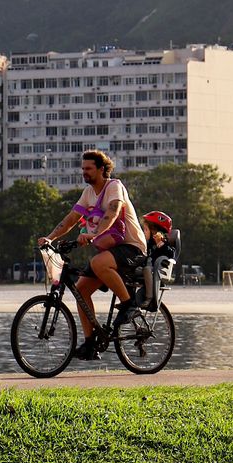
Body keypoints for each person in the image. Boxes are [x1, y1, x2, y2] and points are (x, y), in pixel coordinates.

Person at [40, 150, 147, 359]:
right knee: (81, 291)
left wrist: (94, 233)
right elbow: (71, 219)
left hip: (132, 247)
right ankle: (90, 343)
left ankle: (129, 305)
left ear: (101, 169)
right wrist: (50, 237)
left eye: (88, 168)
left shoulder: (114, 186)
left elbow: (113, 211)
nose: (84, 172)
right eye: (83, 169)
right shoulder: (88, 193)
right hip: (110, 252)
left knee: (98, 262)